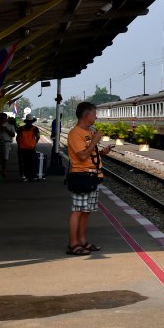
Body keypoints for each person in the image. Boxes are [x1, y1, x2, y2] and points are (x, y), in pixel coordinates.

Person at [66, 102, 112, 256]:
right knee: (77, 210)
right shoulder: (75, 133)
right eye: (94, 114)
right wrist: (95, 140)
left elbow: (90, 153)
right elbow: (82, 156)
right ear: (86, 115)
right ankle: (73, 244)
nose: (96, 117)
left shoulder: (89, 132)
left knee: (86, 211)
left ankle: (82, 240)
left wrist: (102, 152)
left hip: (93, 176)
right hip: (81, 176)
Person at [16, 115, 40, 181]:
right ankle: (32, 176)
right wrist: (36, 141)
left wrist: (19, 144)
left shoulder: (21, 128)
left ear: (26, 121)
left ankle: (25, 176)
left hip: (22, 148)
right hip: (31, 148)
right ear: (32, 122)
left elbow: (17, 137)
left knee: (24, 162)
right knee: (32, 162)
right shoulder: (35, 128)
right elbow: (38, 136)